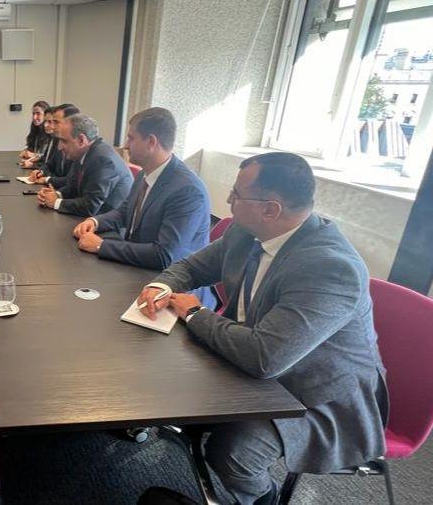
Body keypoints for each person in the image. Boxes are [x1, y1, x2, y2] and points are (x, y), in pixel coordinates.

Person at [137, 152, 387, 504]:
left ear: (271, 209)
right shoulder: (245, 231)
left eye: (237, 194)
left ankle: (263, 499)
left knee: (234, 453)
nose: (228, 199)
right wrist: (161, 286)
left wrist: (194, 313)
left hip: (315, 393)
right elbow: (191, 267)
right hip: (255, 355)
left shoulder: (330, 267)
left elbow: (264, 358)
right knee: (160, 376)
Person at [71, 107, 215, 307]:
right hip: (138, 272)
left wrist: (101, 245)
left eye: (131, 138)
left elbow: (164, 255)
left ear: (151, 142)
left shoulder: (188, 190)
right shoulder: (144, 174)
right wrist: (95, 221)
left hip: (172, 293)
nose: (125, 145)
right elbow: (124, 212)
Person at [36, 114, 132, 217]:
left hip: (105, 221)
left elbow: (90, 206)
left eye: (64, 141)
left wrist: (55, 202)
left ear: (81, 140)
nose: (60, 147)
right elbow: (72, 186)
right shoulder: (82, 153)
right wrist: (57, 194)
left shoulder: (103, 159)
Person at [27, 103, 79, 179]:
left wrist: (48, 180)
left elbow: (70, 179)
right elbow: (50, 164)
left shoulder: (76, 146)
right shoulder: (56, 139)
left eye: (55, 122)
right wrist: (41, 172)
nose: (46, 125)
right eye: (45, 121)